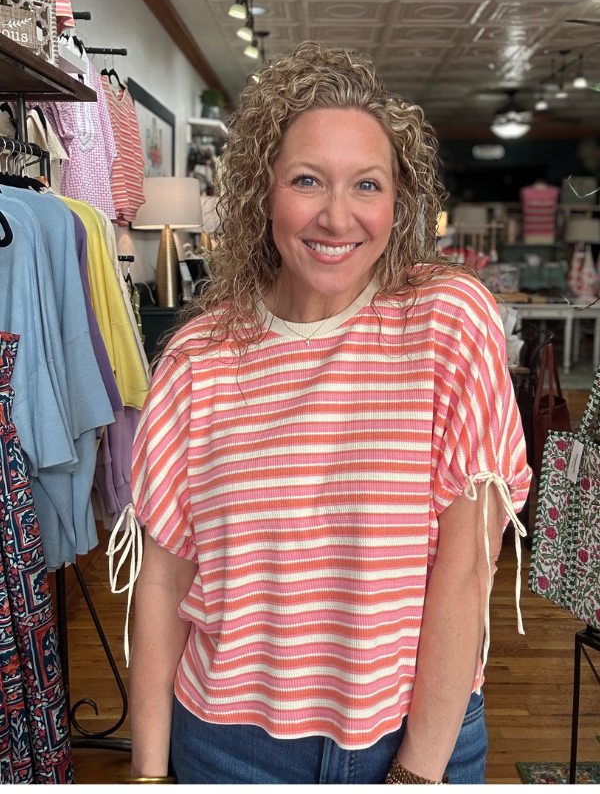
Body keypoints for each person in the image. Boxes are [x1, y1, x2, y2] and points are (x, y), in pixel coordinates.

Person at [128, 42, 531, 785]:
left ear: (399, 200)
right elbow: (161, 582)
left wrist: (418, 772)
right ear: (263, 191)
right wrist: (149, 772)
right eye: (308, 180)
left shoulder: (449, 325)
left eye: (367, 185)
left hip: (417, 735)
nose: (337, 217)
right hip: (227, 747)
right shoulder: (197, 360)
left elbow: (469, 564)